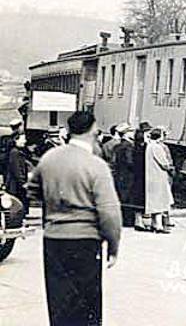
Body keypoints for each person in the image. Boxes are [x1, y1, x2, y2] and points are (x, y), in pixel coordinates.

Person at [26, 111, 122, 326]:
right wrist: (113, 246)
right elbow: (109, 212)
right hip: (85, 242)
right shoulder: (97, 166)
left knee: (59, 302)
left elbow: (32, 191)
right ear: (94, 131)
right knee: (86, 306)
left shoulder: (49, 158)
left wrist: (55, 203)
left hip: (53, 240)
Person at [145, 128, 174, 233]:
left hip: (151, 176)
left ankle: (153, 224)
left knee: (153, 201)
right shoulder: (157, 147)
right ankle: (159, 226)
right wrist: (170, 168)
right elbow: (164, 163)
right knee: (160, 202)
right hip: (159, 176)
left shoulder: (148, 146)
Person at [5, 133, 31, 216]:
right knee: (18, 207)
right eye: (23, 139)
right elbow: (17, 170)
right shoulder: (14, 153)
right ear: (16, 140)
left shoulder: (18, 152)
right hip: (15, 186)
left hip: (17, 185)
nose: (25, 141)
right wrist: (23, 183)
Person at [113, 125, 135, 210]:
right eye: (130, 131)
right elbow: (130, 162)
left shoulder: (117, 146)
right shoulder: (129, 146)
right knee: (127, 198)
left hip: (119, 174)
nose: (133, 133)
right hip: (128, 175)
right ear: (126, 134)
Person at [130, 128, 148, 230]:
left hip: (135, 176)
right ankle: (139, 221)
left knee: (137, 197)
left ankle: (138, 219)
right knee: (140, 198)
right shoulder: (145, 148)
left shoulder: (134, 147)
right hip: (142, 176)